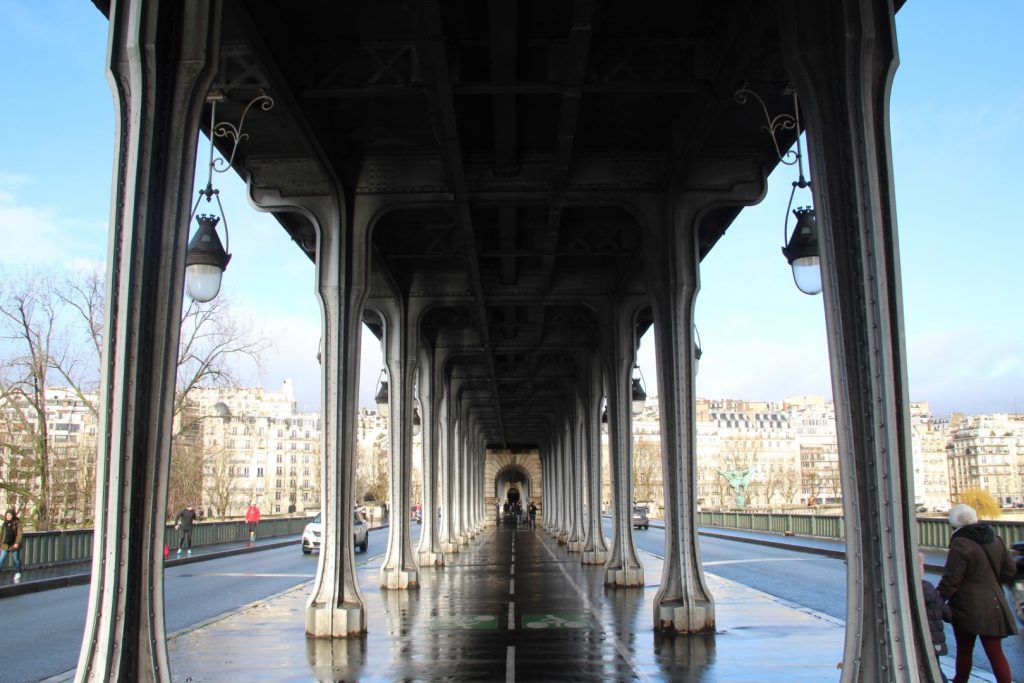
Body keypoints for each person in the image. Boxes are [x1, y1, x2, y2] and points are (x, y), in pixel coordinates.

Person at [938, 503, 1018, 683]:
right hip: (994, 604)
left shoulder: (960, 543)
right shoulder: (996, 540)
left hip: (966, 607)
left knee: (965, 649)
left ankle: (960, 680)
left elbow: (952, 579)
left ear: (954, 524)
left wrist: (938, 598)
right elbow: (1009, 571)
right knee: (995, 651)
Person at [920, 551, 950, 683]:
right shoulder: (928, 588)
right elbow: (946, 613)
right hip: (934, 641)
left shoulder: (904, 590)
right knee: (935, 670)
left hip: (919, 639)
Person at [0, 508, 23, 583]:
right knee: (1, 559)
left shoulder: (17, 523)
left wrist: (17, 543)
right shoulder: (4, 524)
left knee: (16, 559)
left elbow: (19, 534)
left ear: (13, 515)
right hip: (5, 544)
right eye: (7, 515)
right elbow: (1, 534)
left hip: (14, 544)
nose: (8, 516)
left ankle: (18, 572)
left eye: (9, 515)